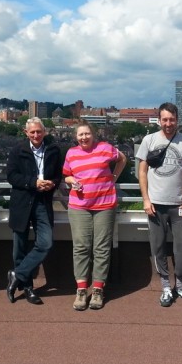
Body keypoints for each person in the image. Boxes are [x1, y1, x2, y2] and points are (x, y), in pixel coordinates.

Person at [136, 102, 182, 307]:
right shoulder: (149, 140)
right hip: (155, 204)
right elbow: (142, 171)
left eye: (172, 119)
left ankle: (180, 285)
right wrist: (146, 199)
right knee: (158, 246)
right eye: (164, 119)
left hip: (180, 204)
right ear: (159, 120)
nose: (168, 123)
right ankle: (165, 286)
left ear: (177, 120)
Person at [63, 122, 127, 311]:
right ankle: (82, 290)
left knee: (101, 248)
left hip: (104, 205)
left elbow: (122, 159)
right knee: (81, 247)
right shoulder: (71, 153)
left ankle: (98, 290)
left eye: (87, 134)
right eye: (80, 135)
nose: (84, 137)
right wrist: (71, 180)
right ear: (76, 137)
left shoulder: (105, 148)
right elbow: (66, 175)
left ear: (93, 135)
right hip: (79, 206)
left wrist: (114, 178)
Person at [6, 117, 63, 305]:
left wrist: (51, 184)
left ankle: (17, 274)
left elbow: (58, 175)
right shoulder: (17, 150)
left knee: (45, 243)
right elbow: (11, 176)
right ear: (26, 133)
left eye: (39, 131)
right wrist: (33, 183)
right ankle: (28, 288)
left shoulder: (54, 150)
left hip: (42, 202)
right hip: (22, 202)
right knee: (19, 248)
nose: (36, 135)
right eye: (32, 132)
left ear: (44, 132)